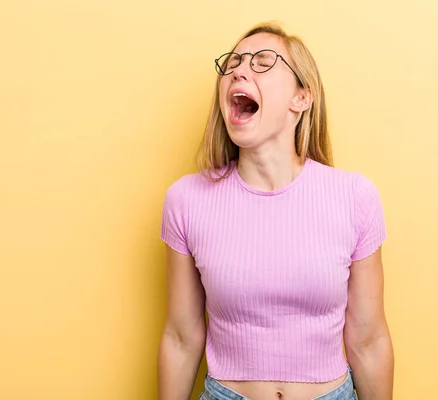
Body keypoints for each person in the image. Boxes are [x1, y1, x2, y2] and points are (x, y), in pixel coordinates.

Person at [158, 21, 394, 400]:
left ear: (301, 98)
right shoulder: (187, 199)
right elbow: (181, 338)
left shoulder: (355, 197)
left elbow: (368, 340)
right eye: (234, 62)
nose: (239, 70)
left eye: (263, 61)